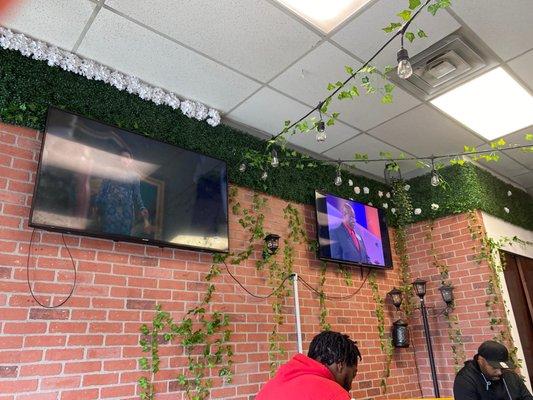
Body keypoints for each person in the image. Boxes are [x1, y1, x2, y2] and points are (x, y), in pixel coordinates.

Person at [256, 331, 361, 400]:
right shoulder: (334, 394)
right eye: (353, 374)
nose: (350, 386)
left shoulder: (270, 387)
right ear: (340, 365)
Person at [95, 149, 150, 236]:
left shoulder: (134, 176)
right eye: (122, 157)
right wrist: (97, 205)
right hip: (111, 208)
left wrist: (142, 208)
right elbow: (102, 190)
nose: (124, 159)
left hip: (127, 211)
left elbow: (137, 194)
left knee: (125, 236)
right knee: (108, 234)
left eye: (127, 157)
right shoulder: (110, 172)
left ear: (131, 160)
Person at [454, 340, 533, 400]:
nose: (499, 372)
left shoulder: (510, 376)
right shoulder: (465, 380)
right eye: (494, 367)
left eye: (502, 367)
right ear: (480, 360)